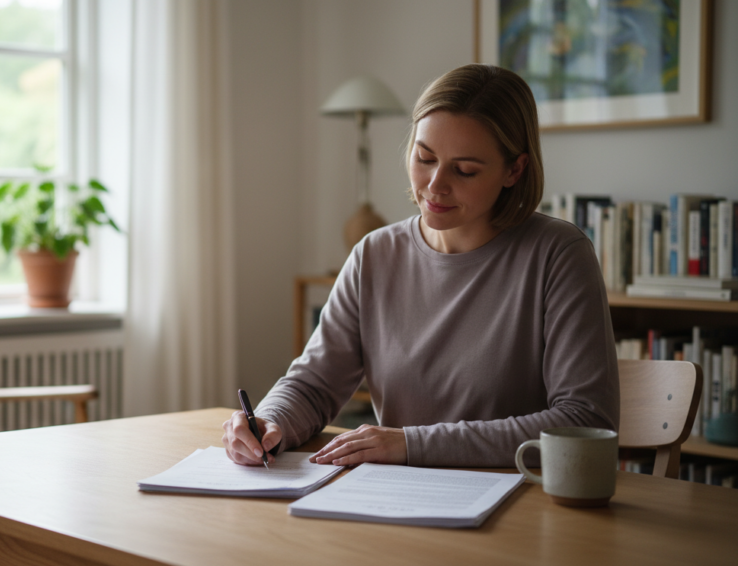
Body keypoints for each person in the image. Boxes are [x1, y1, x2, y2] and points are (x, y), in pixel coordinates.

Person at [222, 63, 619, 468]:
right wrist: (270, 421)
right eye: (424, 157)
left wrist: (412, 444)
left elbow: (583, 419)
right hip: (401, 502)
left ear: (514, 170)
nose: (435, 184)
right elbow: (313, 386)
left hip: (518, 500)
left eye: (464, 170)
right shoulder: (374, 255)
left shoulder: (558, 255)